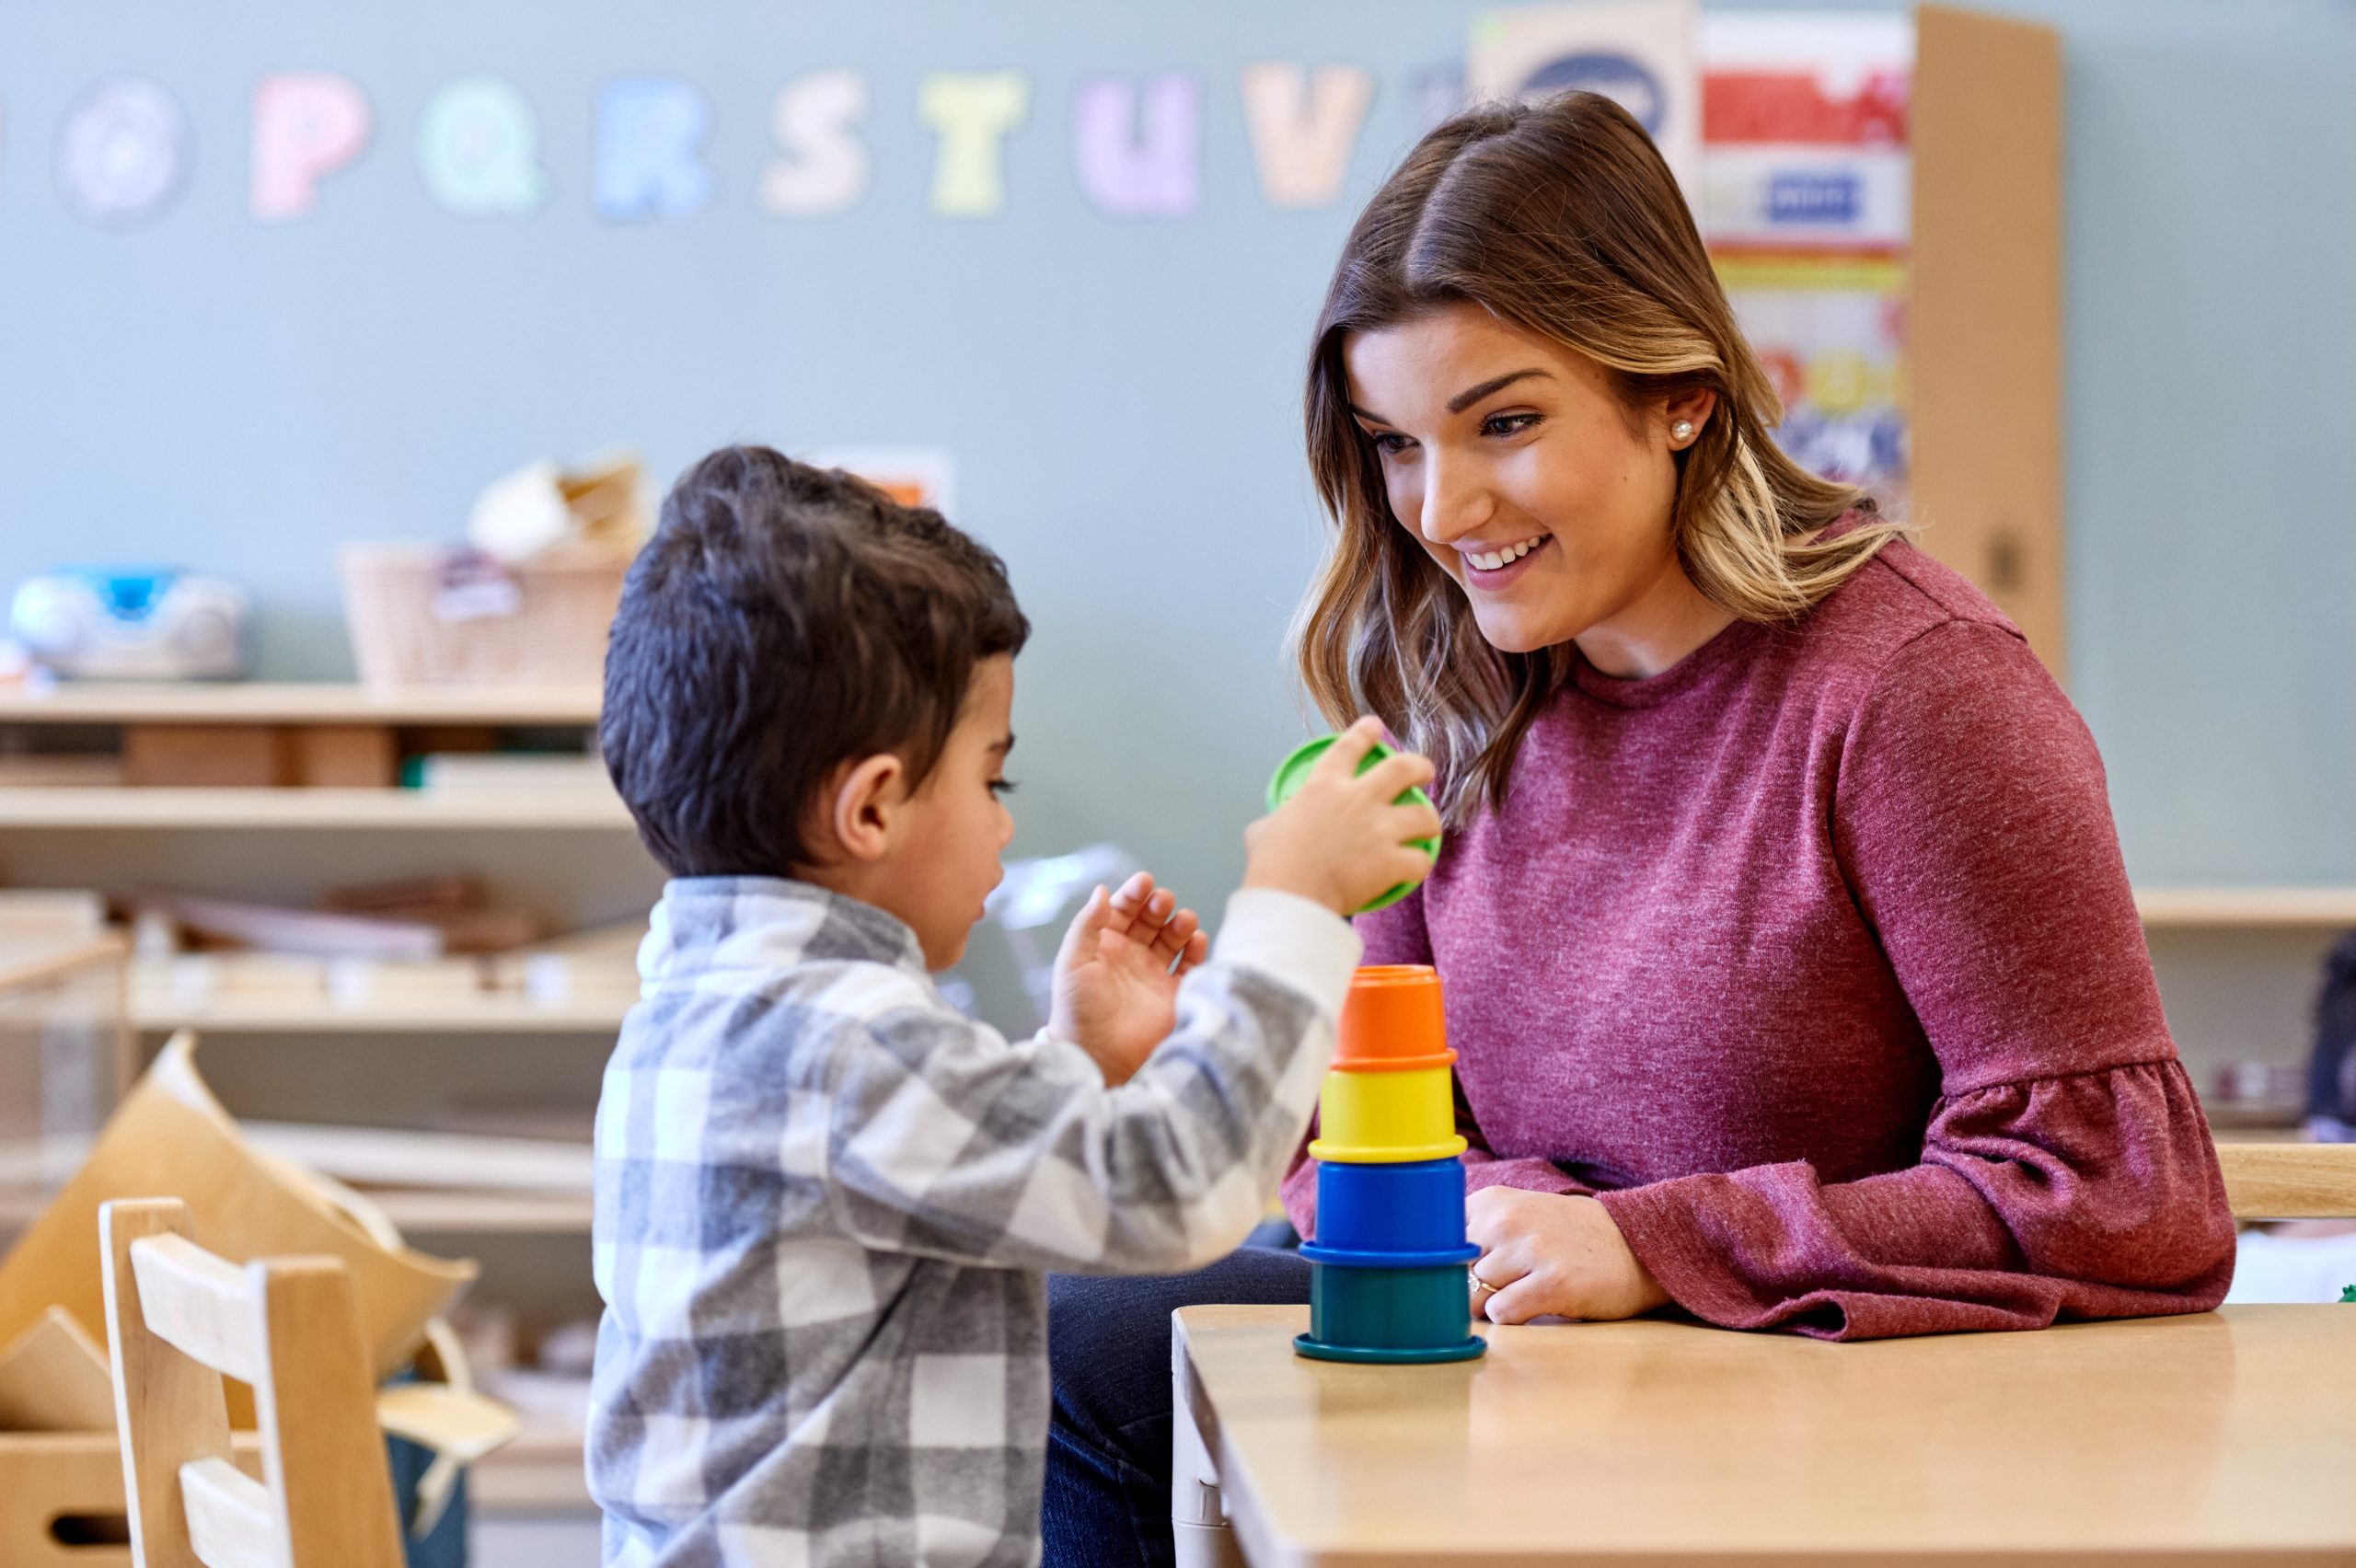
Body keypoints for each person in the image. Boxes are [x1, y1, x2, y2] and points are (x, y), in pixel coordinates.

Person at [1043, 92, 2237, 1568]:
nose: (1443, 506)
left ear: (1679, 392)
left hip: (1790, 1397)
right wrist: (1498, 1212)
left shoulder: (1917, 692)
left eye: (1509, 422)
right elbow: (1354, 1132)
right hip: (1524, 1348)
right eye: (1396, 444)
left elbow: (2120, 1196)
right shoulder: (1448, 689)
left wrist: (1656, 1244)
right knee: (1069, 1329)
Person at [585, 445, 1440, 1566]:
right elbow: (1179, 1191)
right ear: (873, 809)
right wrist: (1293, 905)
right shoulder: (840, 1041)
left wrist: (1076, 1057)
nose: (1001, 823)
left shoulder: (700, 1012)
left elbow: (918, 1182)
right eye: (994, 778)